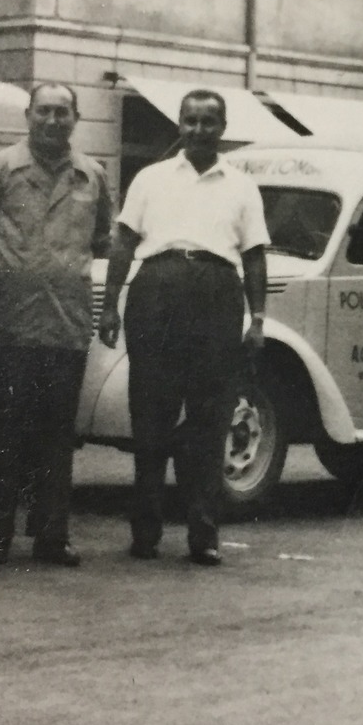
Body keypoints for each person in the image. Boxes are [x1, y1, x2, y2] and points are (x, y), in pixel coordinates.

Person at [97, 90, 268, 567]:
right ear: (179, 124)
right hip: (156, 293)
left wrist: (258, 318)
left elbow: (254, 256)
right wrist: (110, 306)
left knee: (210, 419)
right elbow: (123, 243)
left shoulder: (242, 186)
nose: (198, 130)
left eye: (208, 122)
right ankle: (145, 531)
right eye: (190, 121)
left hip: (216, 296)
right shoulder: (150, 179)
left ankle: (204, 532)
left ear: (223, 127)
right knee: (150, 414)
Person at [0, 82, 114, 567]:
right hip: (11, 324)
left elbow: (102, 240)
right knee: (3, 434)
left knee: (57, 436)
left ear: (75, 119)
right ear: (27, 115)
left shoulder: (92, 175)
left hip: (67, 325)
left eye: (62, 113)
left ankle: (52, 535)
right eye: (44, 111)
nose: (53, 121)